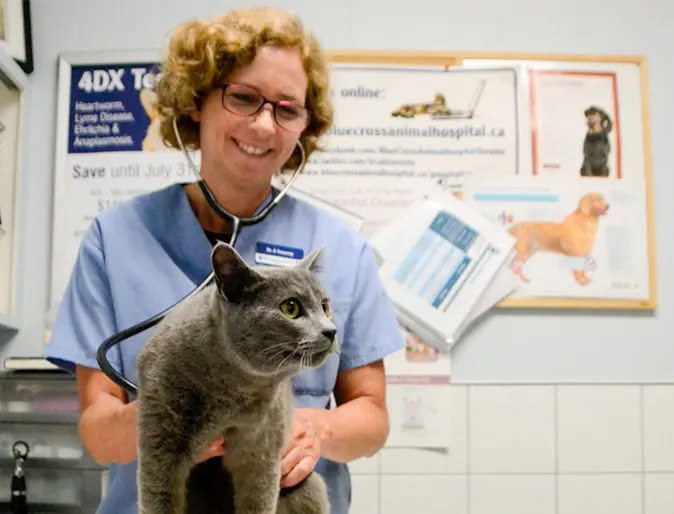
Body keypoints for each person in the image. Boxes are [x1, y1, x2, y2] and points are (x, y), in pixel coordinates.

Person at [43, 6, 404, 514]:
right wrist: (172, 417)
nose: (263, 125)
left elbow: (372, 418)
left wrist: (309, 427)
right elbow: (98, 433)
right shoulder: (116, 238)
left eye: (287, 108)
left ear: (306, 125)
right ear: (196, 104)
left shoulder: (340, 249)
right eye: (242, 97)